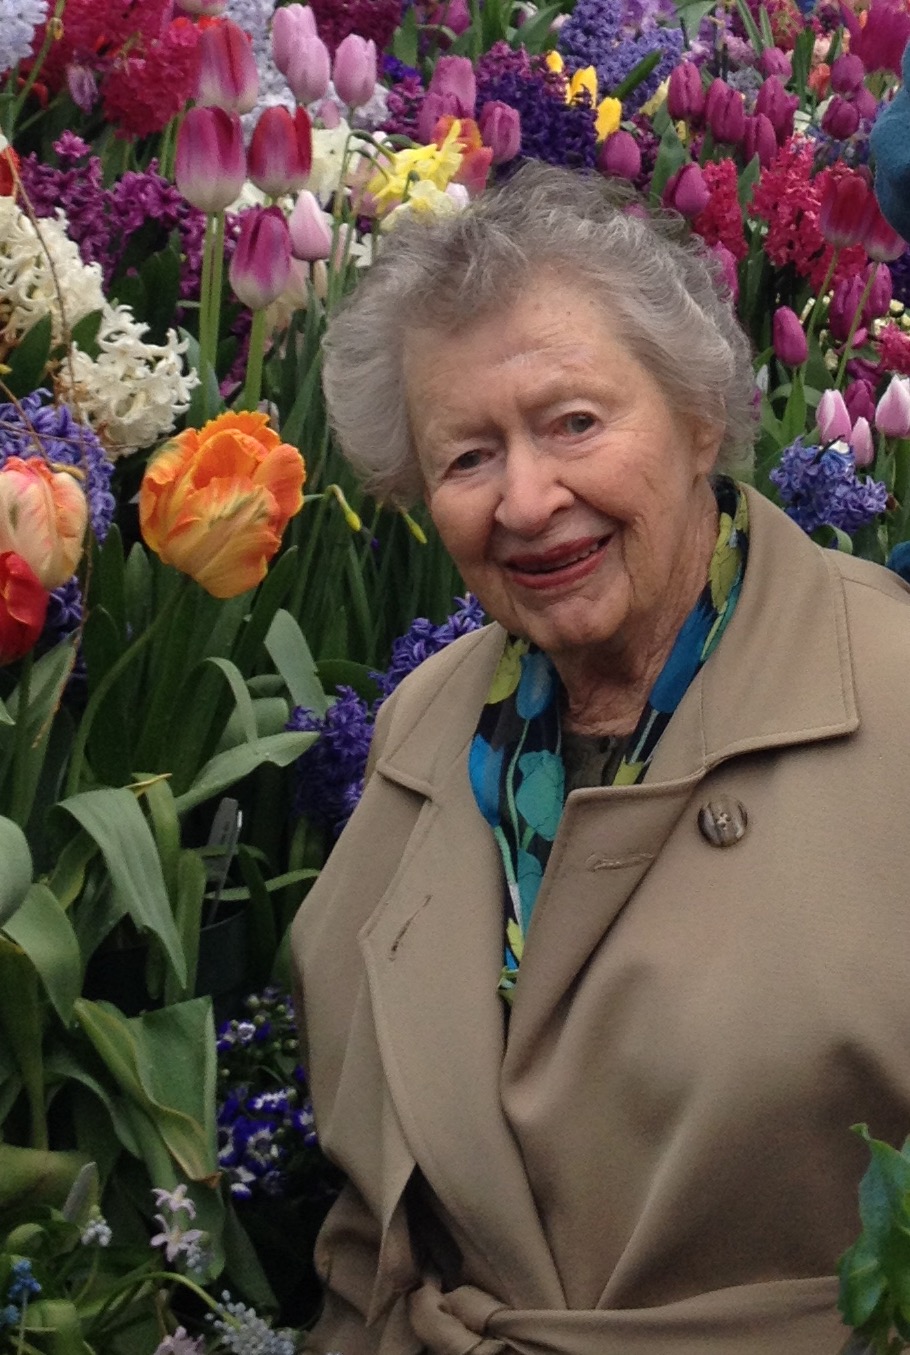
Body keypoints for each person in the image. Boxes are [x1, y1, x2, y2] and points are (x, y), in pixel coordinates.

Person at [291, 162, 910, 1355]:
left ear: (693, 418)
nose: (525, 499)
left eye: (573, 422)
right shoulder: (426, 722)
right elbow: (367, 1219)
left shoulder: (889, 688)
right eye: (467, 457)